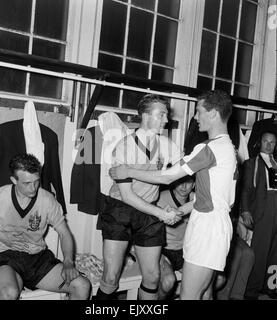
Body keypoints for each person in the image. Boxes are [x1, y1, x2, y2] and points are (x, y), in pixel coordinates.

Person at [110, 90, 238, 300]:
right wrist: (177, 210)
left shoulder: (209, 148)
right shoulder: (228, 147)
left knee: (189, 295)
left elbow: (168, 177)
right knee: (206, 293)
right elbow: (205, 198)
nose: (195, 117)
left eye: (199, 111)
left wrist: (128, 171)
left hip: (207, 228)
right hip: (216, 224)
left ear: (213, 114)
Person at [96, 94, 182, 300]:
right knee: (111, 277)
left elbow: (182, 172)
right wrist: (161, 213)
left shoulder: (168, 145)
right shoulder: (123, 147)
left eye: (166, 115)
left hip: (149, 212)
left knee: (153, 278)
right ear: (144, 115)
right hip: (120, 211)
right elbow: (127, 196)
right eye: (161, 114)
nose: (166, 120)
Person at [0, 154, 91, 300]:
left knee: (82, 285)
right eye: (27, 183)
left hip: (38, 259)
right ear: (14, 180)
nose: (33, 188)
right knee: (8, 294)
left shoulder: (47, 199)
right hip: (7, 258)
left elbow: (64, 233)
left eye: (36, 181)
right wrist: (1, 236)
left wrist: (68, 262)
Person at [241, 131, 277, 299]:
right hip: (264, 211)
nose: (269, 145)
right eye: (266, 141)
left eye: (272, 142)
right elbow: (246, 190)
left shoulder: (276, 163)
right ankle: (252, 290)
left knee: (275, 252)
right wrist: (246, 210)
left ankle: (270, 287)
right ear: (259, 143)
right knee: (260, 251)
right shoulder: (251, 163)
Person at [157, 175, 195, 299]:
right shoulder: (161, 197)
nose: (184, 186)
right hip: (164, 250)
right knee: (168, 281)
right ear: (173, 182)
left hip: (186, 251)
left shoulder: (196, 199)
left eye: (188, 182)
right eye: (180, 182)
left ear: (194, 184)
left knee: (218, 279)